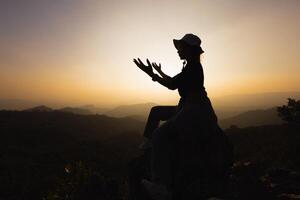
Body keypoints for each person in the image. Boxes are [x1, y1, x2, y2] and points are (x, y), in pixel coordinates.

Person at [133, 34, 232, 200]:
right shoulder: (190, 67)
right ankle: (149, 144)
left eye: (181, 48)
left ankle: (161, 185)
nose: (178, 51)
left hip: (195, 109)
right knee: (156, 111)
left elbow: (172, 85)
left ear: (189, 50)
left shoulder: (193, 67)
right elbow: (175, 81)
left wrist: (152, 74)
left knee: (160, 135)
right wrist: (157, 72)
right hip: (186, 106)